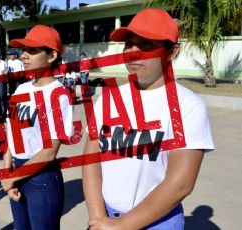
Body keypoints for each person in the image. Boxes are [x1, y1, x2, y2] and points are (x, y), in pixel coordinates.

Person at [82, 9, 214, 229]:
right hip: (105, 217)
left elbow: (180, 184)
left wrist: (120, 226)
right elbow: (91, 162)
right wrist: (97, 217)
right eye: (129, 43)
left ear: (171, 51)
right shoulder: (107, 99)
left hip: (158, 222)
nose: (133, 52)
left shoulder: (188, 106)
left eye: (146, 44)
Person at [0, 24, 74, 229]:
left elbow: (50, 152)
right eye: (24, 50)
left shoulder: (58, 95)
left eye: (32, 51)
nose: (24, 56)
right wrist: (8, 172)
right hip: (17, 173)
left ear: (51, 56)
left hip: (42, 179)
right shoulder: (21, 90)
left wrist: (13, 177)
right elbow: (11, 134)